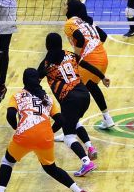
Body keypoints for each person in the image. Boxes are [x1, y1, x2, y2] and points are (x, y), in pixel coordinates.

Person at [0, 68, 94, 192]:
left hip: (24, 134)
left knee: (7, 162)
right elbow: (61, 120)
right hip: (45, 138)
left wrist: (16, 128)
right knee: (52, 169)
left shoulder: (17, 96)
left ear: (24, 81)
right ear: (38, 80)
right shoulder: (47, 98)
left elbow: (10, 115)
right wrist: (50, 132)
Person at [38, 33, 108, 176]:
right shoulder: (70, 55)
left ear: (47, 45)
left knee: (68, 137)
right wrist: (102, 77)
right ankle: (90, 147)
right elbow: (87, 65)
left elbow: (34, 83)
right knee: (74, 122)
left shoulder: (45, 64)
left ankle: (86, 162)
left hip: (70, 100)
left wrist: (41, 98)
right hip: (84, 96)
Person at [64, 0, 116, 130]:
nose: (64, 6)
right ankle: (107, 118)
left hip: (90, 60)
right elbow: (103, 36)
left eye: (65, 5)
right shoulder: (85, 21)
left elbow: (80, 39)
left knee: (72, 93)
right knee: (92, 86)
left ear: (70, 8)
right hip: (102, 57)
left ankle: (70, 130)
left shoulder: (69, 24)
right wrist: (94, 46)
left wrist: (77, 56)